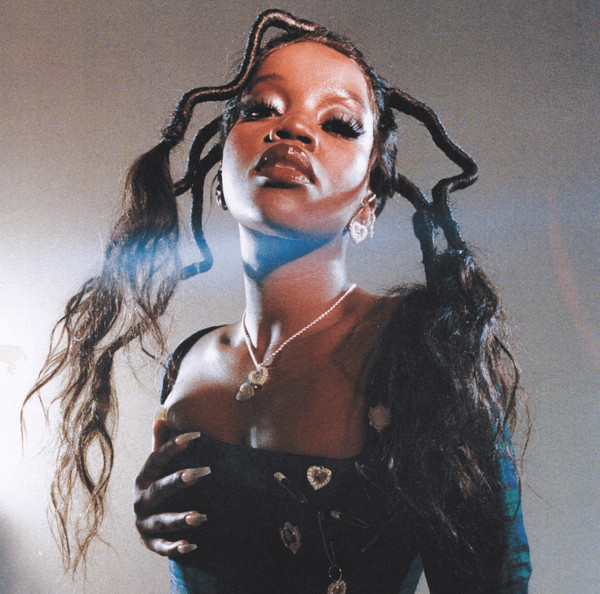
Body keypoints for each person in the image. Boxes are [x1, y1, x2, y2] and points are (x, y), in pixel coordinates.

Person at [25, 9, 531, 593]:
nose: (291, 127)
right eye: (260, 109)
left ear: (369, 197)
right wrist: (166, 524)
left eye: (339, 122)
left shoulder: (422, 351)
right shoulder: (188, 364)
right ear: (221, 172)